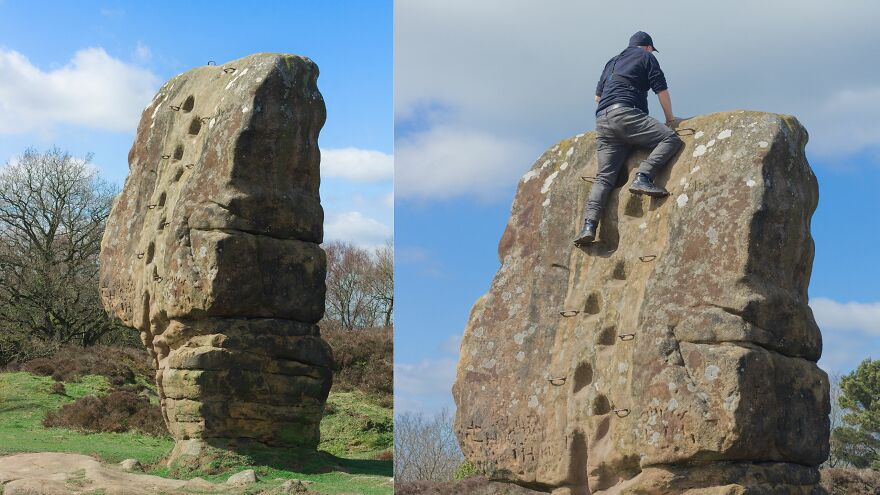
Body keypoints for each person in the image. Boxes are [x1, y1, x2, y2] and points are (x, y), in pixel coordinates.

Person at [574, 31, 683, 246]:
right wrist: (670, 118)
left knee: (604, 177)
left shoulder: (611, 62)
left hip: (603, 120)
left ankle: (588, 226)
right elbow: (661, 90)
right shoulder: (647, 57)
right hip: (625, 114)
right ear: (648, 47)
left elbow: (597, 97)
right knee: (670, 139)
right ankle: (643, 176)